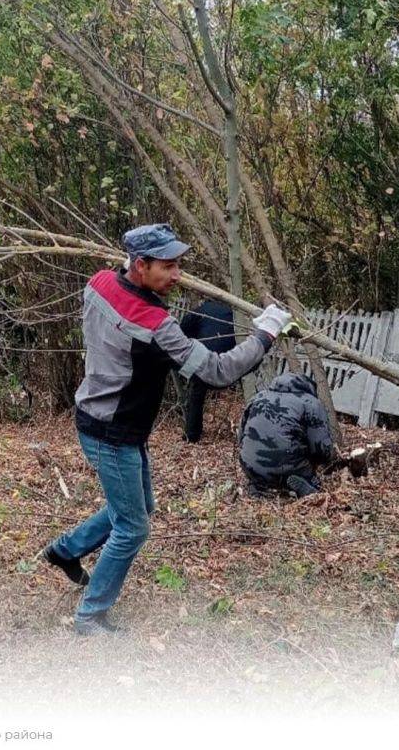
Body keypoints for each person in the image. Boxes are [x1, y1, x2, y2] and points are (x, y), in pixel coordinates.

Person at [39, 223, 291, 636]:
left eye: (179, 265)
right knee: (133, 527)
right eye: (169, 267)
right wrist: (266, 332)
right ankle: (89, 616)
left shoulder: (99, 283)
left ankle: (64, 551)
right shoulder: (155, 325)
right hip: (112, 433)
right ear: (140, 265)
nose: (177, 276)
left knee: (137, 510)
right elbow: (216, 370)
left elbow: (121, 292)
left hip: (100, 419)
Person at [238, 372, 334, 498]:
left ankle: (258, 485)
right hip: (288, 467)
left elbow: (241, 436)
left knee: (260, 470)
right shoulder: (311, 403)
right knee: (311, 479)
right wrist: (326, 462)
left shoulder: (258, 396)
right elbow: (321, 449)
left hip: (249, 465)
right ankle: (309, 486)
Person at [179, 299, 236, 443]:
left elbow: (182, 330)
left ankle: (192, 435)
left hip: (205, 358)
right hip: (230, 360)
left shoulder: (201, 310)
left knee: (197, 395)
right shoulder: (232, 313)